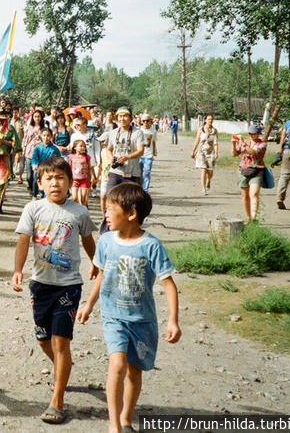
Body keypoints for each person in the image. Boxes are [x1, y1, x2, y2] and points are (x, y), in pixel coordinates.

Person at [77, 183, 181, 433]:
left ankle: (126, 416)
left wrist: (173, 320)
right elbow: (102, 276)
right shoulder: (105, 242)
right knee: (117, 365)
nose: (105, 214)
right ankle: (114, 425)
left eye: (111, 209)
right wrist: (89, 305)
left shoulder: (151, 246)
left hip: (142, 320)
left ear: (131, 214)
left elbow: (168, 284)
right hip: (114, 317)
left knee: (135, 372)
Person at [11, 155, 98, 424]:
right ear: (40, 183)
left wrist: (96, 262)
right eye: (49, 178)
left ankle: (57, 400)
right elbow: (24, 241)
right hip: (40, 284)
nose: (55, 183)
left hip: (69, 286)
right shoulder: (33, 209)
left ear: (70, 182)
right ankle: (63, 368)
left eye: (60, 178)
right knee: (43, 340)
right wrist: (17, 270)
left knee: (61, 342)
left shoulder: (79, 212)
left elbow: (88, 239)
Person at [233, 124, 267, 222]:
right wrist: (233, 144)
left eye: (254, 133)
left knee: (254, 194)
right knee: (245, 196)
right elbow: (234, 154)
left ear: (258, 134)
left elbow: (253, 152)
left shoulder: (262, 144)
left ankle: (254, 218)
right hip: (243, 170)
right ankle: (248, 217)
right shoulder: (245, 142)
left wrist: (243, 142)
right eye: (250, 133)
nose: (252, 135)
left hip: (257, 170)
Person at [190, 114, 218, 195]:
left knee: (210, 171)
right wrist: (193, 151)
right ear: (205, 120)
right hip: (201, 152)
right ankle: (203, 189)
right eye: (209, 119)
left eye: (211, 119)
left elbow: (216, 143)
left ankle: (208, 180)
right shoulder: (201, 129)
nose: (210, 121)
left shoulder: (215, 131)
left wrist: (216, 152)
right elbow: (197, 140)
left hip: (210, 152)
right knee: (203, 170)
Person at [29, 128, 61, 199]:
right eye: (44, 135)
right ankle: (34, 194)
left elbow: (59, 158)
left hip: (50, 168)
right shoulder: (37, 147)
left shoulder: (54, 149)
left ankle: (45, 196)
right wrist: (34, 164)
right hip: (40, 167)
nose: (46, 137)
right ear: (41, 136)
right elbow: (34, 158)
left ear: (51, 137)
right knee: (35, 175)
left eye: (48, 135)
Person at [23, 109, 46, 196]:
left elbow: (47, 139)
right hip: (29, 152)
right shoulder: (28, 127)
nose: (37, 118)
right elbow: (25, 139)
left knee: (36, 174)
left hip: (40, 153)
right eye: (35, 116)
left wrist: (40, 142)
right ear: (33, 117)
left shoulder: (44, 128)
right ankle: (30, 187)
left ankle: (35, 192)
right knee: (29, 176)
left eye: (39, 116)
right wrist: (23, 149)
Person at [68, 139, 92, 206]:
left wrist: (91, 178)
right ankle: (76, 211)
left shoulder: (86, 157)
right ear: (75, 147)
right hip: (74, 180)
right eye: (81, 146)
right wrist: (69, 179)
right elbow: (69, 168)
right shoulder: (71, 157)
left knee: (83, 199)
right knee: (74, 198)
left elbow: (90, 168)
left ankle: (83, 212)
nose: (83, 147)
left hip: (84, 180)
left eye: (84, 146)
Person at [138, 114, 157, 193]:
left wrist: (153, 153)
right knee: (139, 173)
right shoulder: (138, 130)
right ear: (141, 122)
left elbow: (153, 142)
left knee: (147, 173)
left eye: (147, 121)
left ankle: (145, 190)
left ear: (151, 122)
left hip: (148, 155)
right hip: (139, 155)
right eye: (144, 121)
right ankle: (140, 188)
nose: (145, 122)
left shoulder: (153, 130)